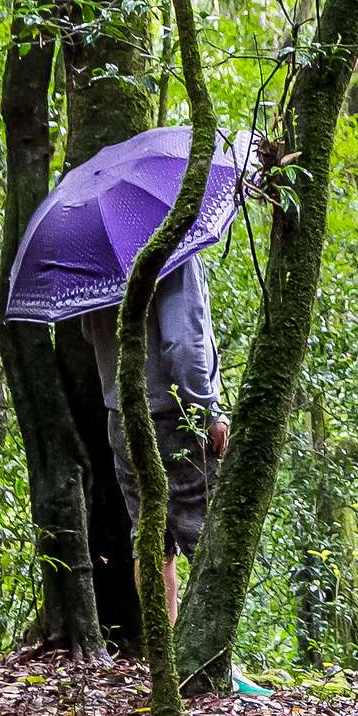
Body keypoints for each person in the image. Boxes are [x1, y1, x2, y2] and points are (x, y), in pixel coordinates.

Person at [79, 258, 227, 625]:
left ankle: (167, 659)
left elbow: (88, 329)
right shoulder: (178, 250)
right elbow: (183, 341)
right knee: (211, 536)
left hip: (121, 413)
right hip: (172, 413)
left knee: (151, 539)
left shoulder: (100, 254)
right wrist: (207, 409)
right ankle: (208, 659)